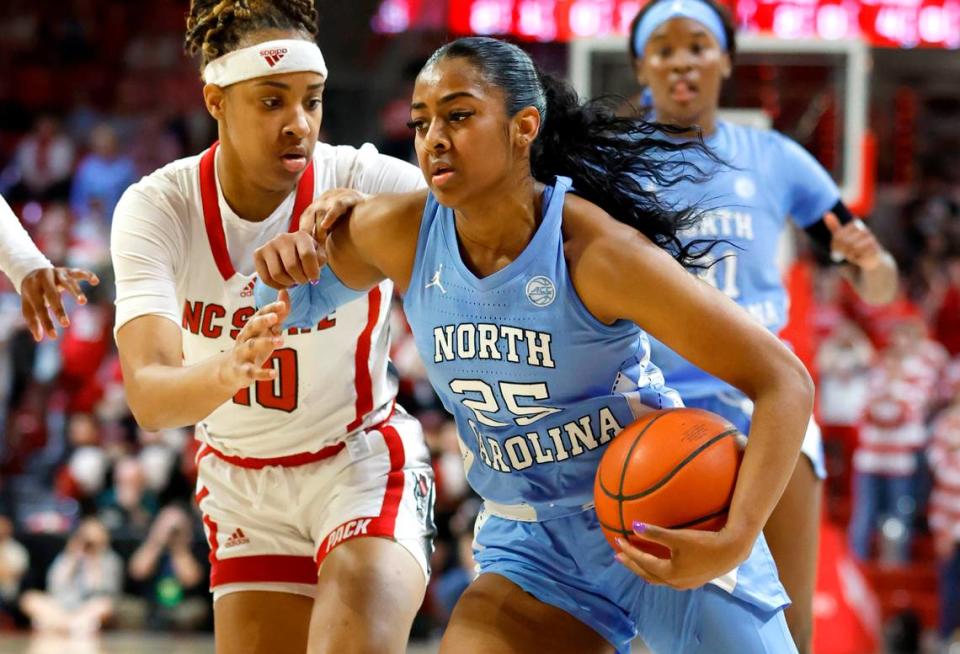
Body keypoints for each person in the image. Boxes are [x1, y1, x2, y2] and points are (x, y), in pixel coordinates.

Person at [256, 36, 813, 653]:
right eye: (421, 122)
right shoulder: (400, 232)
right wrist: (284, 261)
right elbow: (277, 304)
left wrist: (735, 537)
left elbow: (784, 380)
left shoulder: (598, 254)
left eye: (459, 115)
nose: (434, 137)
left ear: (524, 126)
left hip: (664, 514)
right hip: (534, 550)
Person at [109, 1, 435, 652]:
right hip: (240, 486)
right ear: (215, 100)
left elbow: (498, 214)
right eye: (271, 101)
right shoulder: (157, 207)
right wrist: (227, 369)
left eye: (311, 101)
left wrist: (381, 218)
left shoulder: (359, 178)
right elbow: (148, 395)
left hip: (357, 463)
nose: (299, 124)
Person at [626, 1, 899, 649]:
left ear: (725, 59)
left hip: (761, 401)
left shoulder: (773, 157)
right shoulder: (612, 164)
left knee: (787, 622)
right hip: (649, 408)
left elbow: (877, 280)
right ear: (641, 66)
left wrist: (872, 263)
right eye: (663, 49)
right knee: (648, 622)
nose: (682, 61)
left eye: (698, 45)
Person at [0, 194, 99, 341]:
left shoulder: (78, 252)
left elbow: (99, 257)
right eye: (52, 225)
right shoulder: (34, 247)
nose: (56, 229)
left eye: (61, 225)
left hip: (66, 316)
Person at [19, 517, 123, 635]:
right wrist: (72, 559)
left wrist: (93, 564)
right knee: (29, 598)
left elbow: (105, 592)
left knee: (104, 606)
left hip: (88, 606)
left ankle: (56, 625)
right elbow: (54, 586)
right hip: (60, 606)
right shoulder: (67, 557)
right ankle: (70, 625)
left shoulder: (110, 560)